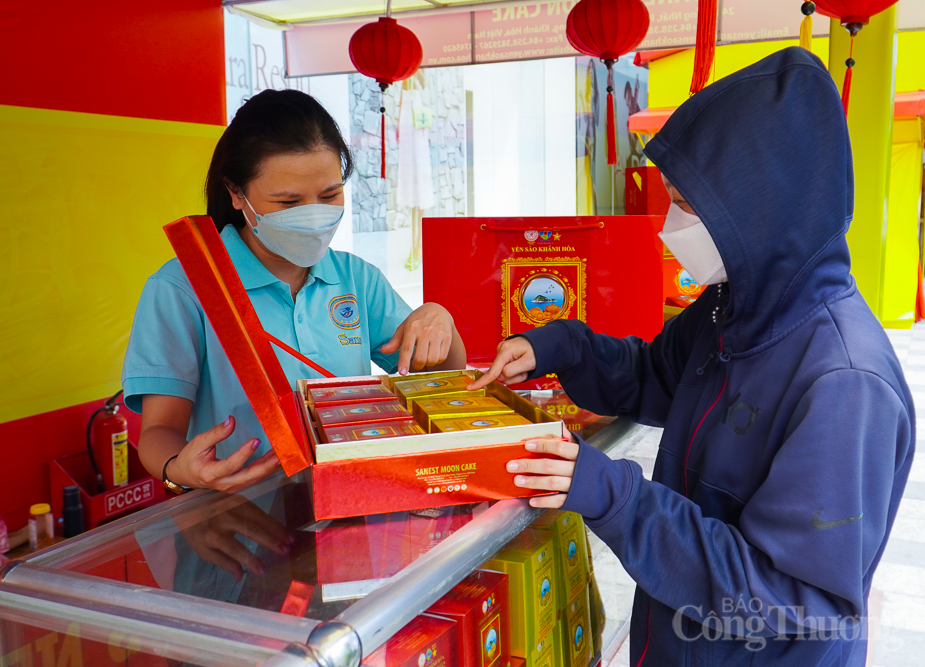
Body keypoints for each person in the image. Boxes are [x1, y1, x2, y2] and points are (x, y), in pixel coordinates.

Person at [471, 48, 914, 666]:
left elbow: (791, 600)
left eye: (685, 203)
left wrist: (619, 497)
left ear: (761, 209)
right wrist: (559, 345)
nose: (667, 227)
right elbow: (654, 376)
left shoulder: (844, 384)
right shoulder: (730, 308)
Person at [123, 89, 466, 498]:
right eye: (288, 202)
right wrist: (181, 469)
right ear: (236, 193)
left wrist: (439, 321)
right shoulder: (184, 289)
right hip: (234, 522)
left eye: (329, 196)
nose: (313, 215)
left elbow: (437, 377)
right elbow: (160, 431)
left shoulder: (355, 278)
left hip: (352, 500)